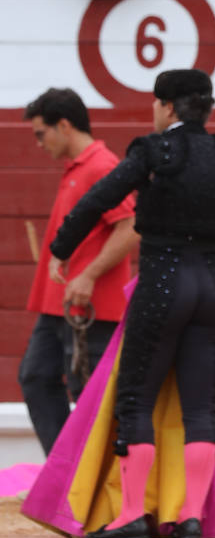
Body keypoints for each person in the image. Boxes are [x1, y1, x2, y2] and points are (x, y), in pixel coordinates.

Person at [47, 67, 215, 538]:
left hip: (163, 282)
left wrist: (62, 248)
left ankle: (131, 513)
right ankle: (190, 516)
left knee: (136, 398)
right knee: (200, 404)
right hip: (212, 284)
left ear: (167, 106)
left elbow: (98, 200)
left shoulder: (153, 153)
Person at [18, 86, 136, 456]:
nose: (40, 143)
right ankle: (66, 473)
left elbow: (131, 226)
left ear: (64, 125)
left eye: (42, 133)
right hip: (59, 304)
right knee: (36, 377)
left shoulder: (101, 167)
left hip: (88, 307)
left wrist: (88, 275)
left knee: (89, 394)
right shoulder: (79, 168)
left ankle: (88, 483)